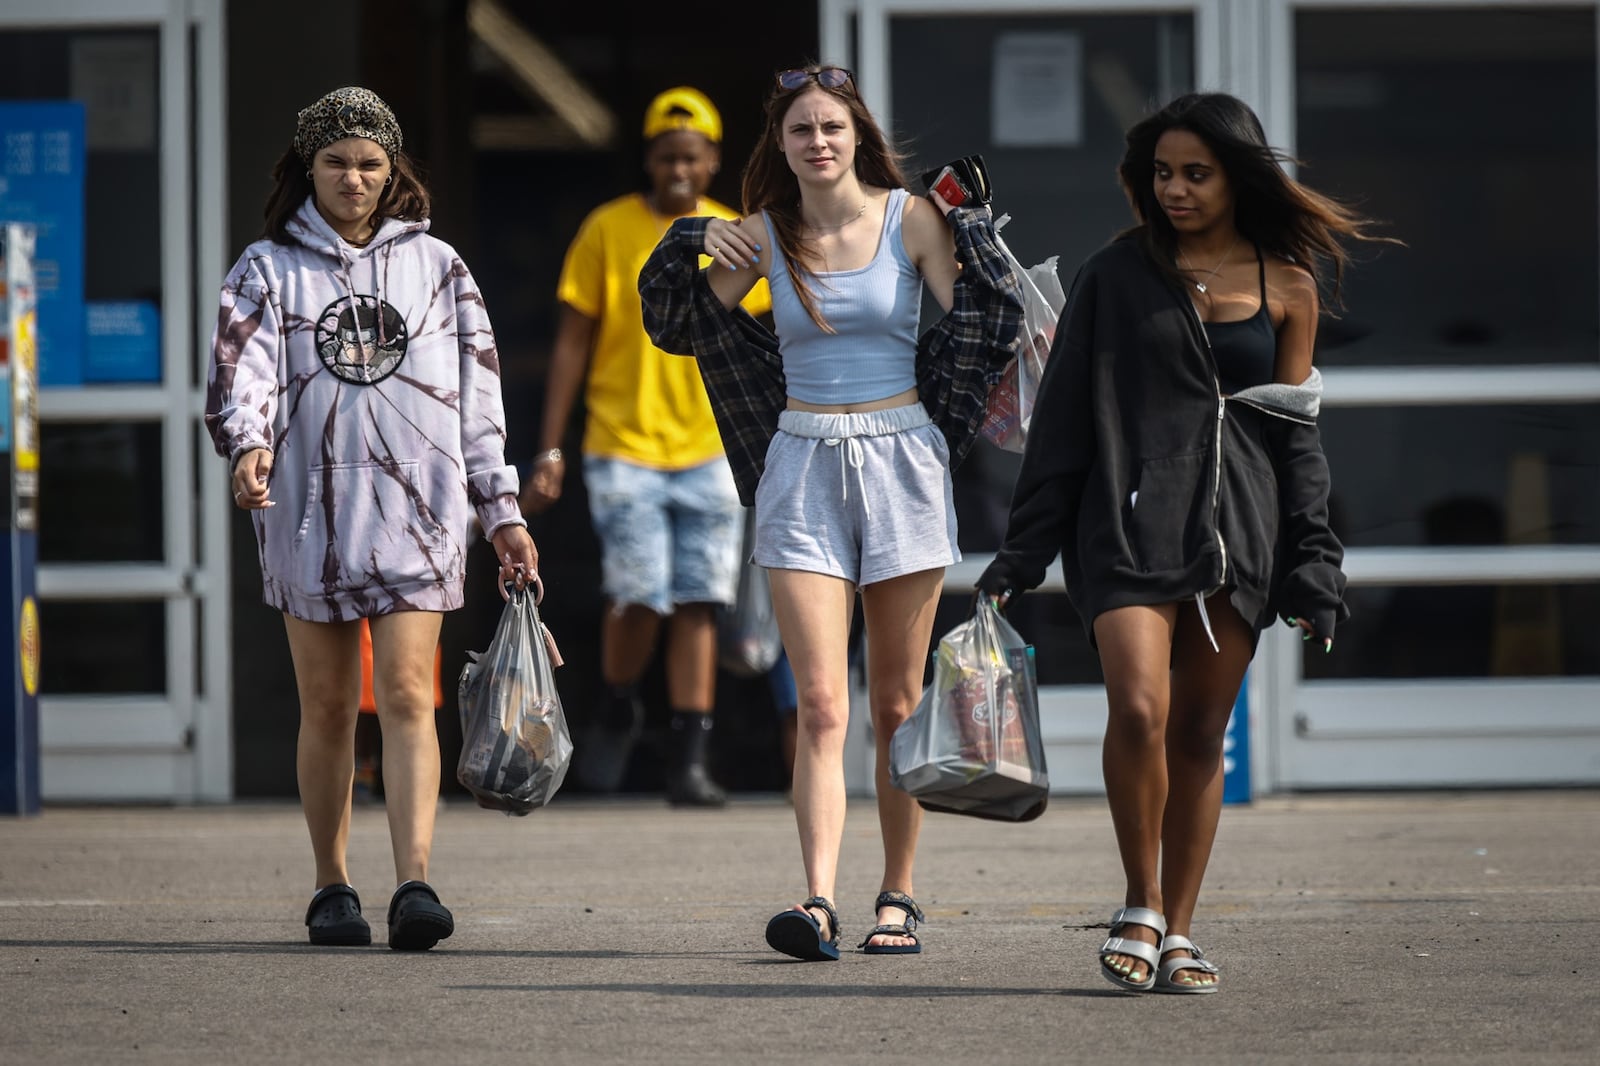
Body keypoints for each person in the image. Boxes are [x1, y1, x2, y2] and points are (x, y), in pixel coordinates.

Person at [976, 91, 1394, 993]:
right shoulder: (1114, 276)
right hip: (1124, 528)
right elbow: (1062, 425)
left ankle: (1182, 930)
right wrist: (1023, 550)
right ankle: (1140, 900)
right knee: (1140, 710)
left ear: (1237, 178)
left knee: (1202, 732)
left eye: (1195, 174)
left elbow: (1296, 435)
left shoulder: (1289, 287)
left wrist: (1314, 562)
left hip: (1237, 536)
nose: (1174, 189)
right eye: (1162, 173)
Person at [639, 64, 1024, 960]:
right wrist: (697, 236)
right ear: (779, 147)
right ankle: (816, 901)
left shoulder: (912, 219)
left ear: (859, 138)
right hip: (799, 461)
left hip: (903, 460)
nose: (818, 142)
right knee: (819, 702)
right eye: (801, 131)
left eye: (833, 129)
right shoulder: (764, 236)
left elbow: (988, 314)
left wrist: (970, 229)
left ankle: (898, 894)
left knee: (895, 702)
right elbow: (675, 326)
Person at [206, 86, 538, 951]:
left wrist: (500, 508)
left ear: (393, 174)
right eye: (336, 162)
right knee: (324, 707)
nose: (353, 178)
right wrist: (248, 446)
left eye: (369, 164)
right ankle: (331, 885)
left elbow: (479, 400)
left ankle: (416, 883)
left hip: (420, 512)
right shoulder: (264, 269)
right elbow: (242, 377)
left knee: (405, 696)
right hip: (305, 514)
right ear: (306, 170)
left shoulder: (440, 269)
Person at [521, 86, 770, 808]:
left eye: (692, 156)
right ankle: (621, 703)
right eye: (666, 156)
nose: (679, 169)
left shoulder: (738, 232)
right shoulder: (608, 228)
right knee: (639, 594)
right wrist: (549, 449)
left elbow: (768, 341)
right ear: (649, 160)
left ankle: (689, 756)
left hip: (709, 446)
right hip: (621, 443)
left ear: (714, 160)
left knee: (698, 599)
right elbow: (572, 342)